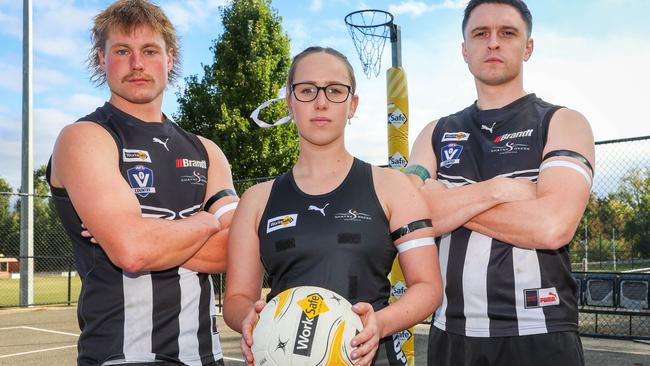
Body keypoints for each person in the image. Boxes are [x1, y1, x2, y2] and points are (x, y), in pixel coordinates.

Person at [222, 46, 443, 366]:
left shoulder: (393, 187)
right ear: (289, 101)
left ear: (352, 105)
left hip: (371, 356)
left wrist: (381, 322)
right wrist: (251, 319)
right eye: (307, 90)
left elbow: (428, 287)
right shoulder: (257, 200)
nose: (321, 101)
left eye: (335, 91)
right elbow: (236, 299)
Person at [46, 1, 237, 365]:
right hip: (121, 357)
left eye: (149, 51)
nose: (137, 64)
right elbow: (133, 252)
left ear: (169, 59)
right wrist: (205, 221)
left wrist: (146, 233)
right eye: (122, 51)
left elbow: (236, 250)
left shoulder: (207, 151)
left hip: (206, 357)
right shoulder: (85, 138)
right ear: (102, 60)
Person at [405, 0, 595, 365]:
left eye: (507, 33)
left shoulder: (563, 123)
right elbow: (407, 216)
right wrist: (499, 190)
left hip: (540, 332)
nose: (493, 42)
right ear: (464, 50)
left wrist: (446, 201)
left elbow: (552, 226)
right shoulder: (435, 133)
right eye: (480, 33)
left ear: (528, 47)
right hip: (451, 334)